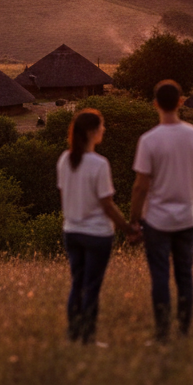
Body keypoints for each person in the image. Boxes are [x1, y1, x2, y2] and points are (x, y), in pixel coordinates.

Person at [130, 80, 193, 342]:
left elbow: (140, 186)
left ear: (155, 105)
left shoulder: (148, 140)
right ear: (181, 102)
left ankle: (162, 334)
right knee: (185, 275)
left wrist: (134, 220)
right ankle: (184, 331)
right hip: (187, 217)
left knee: (160, 277)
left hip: (157, 220)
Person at [57, 108, 132, 344]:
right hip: (97, 233)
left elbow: (65, 195)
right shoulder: (99, 164)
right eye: (101, 126)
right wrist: (126, 227)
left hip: (72, 231)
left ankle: (73, 333)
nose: (104, 129)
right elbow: (107, 205)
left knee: (77, 283)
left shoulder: (64, 160)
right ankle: (88, 337)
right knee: (91, 286)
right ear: (91, 132)